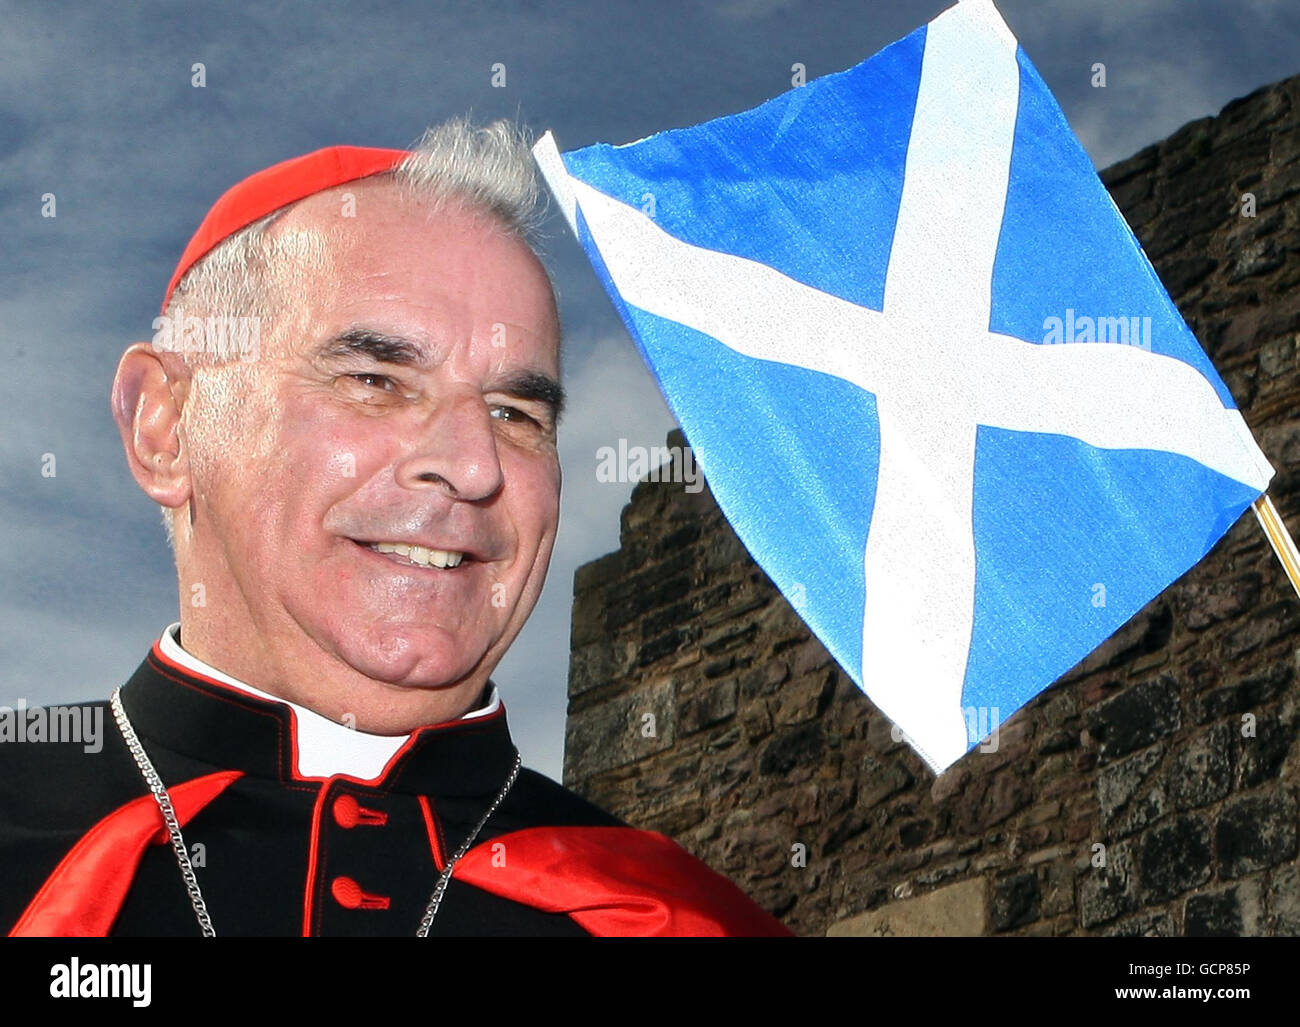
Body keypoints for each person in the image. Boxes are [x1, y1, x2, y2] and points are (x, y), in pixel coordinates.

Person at [0, 119, 791, 937]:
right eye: (375, 378)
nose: (474, 464)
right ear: (167, 427)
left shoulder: (683, 920)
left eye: (515, 411)